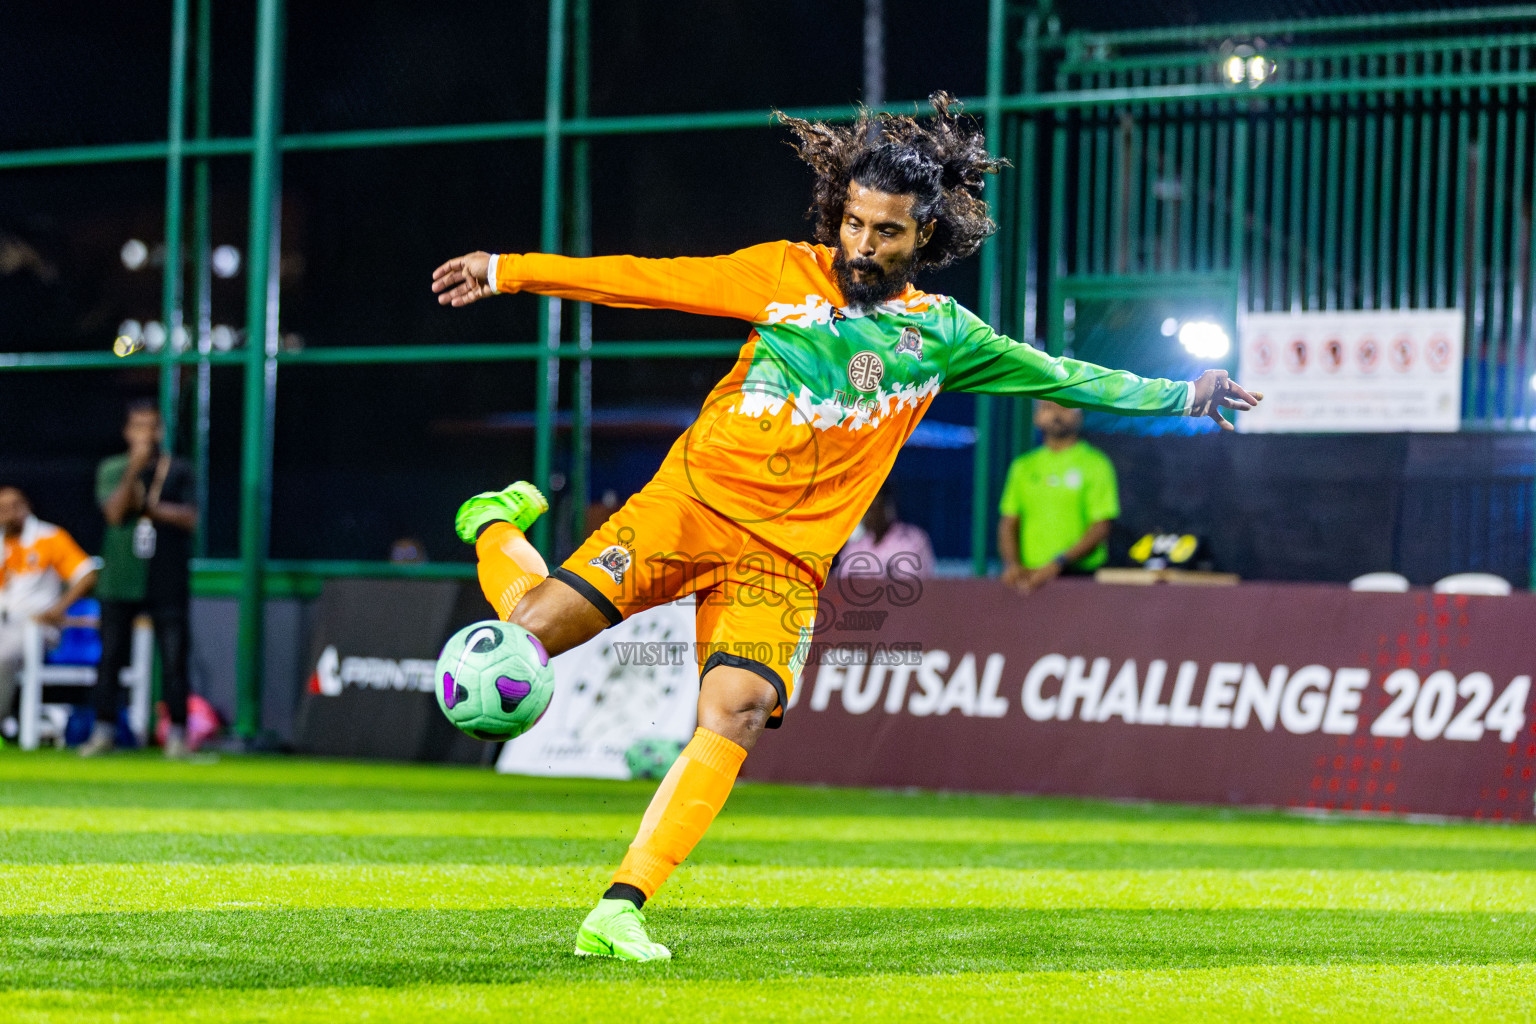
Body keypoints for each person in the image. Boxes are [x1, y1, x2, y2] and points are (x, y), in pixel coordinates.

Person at [430, 92, 1260, 961]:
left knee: (738, 709)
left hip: (786, 562)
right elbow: (648, 278)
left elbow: (1058, 374)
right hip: (689, 510)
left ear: (924, 238)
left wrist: (1182, 393)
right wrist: (510, 268)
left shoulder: (942, 336)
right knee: (527, 639)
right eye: (855, 225)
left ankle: (621, 905)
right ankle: (494, 524)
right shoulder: (782, 275)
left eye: (887, 232)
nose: (864, 245)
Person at [79, 401, 199, 758]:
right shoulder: (113, 468)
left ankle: (177, 734)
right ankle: (103, 732)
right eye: (139, 427)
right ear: (128, 432)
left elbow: (191, 518)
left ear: (160, 431)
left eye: (152, 427)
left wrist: (151, 508)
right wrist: (133, 470)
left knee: (175, 658)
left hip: (166, 578)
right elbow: (115, 513)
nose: (146, 434)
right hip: (119, 578)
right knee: (111, 656)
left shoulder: (177, 470)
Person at [0, 487, 100, 728]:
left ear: (26, 507)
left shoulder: (49, 537)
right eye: (3, 509)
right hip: (3, 625)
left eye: (14, 506)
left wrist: (59, 608)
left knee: (2, 655)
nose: (9, 514)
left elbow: (88, 574)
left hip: (35, 627)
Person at [997, 400, 1120, 594]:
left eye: (1064, 406)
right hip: (1029, 578)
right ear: (1036, 417)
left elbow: (1101, 526)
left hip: (1080, 579)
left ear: (1079, 415)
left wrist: (1058, 563)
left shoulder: (1096, 464)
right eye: (1047, 407)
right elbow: (1008, 523)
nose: (1056, 414)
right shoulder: (1022, 467)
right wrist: (1012, 565)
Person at [835, 484, 935, 581]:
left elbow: (907, 587)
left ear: (887, 507)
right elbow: (840, 582)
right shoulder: (856, 546)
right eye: (863, 510)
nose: (866, 515)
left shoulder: (911, 540)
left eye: (871, 509)